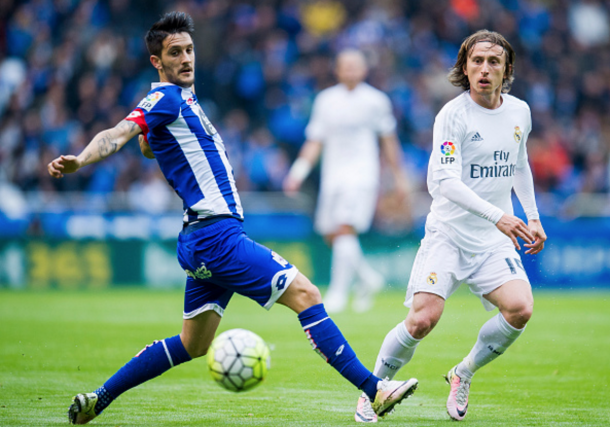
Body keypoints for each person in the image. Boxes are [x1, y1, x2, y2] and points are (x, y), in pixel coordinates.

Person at [46, 12, 418, 425]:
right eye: (174, 52)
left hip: (200, 238)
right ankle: (375, 390)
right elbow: (116, 134)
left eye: (189, 49)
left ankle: (99, 397)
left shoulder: (182, 103)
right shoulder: (163, 98)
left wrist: (150, 144)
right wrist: (81, 159)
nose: (186, 58)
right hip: (216, 236)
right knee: (308, 296)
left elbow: (149, 146)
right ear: (157, 62)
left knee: (193, 343)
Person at [353, 30, 548, 423]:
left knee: (521, 309)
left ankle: (463, 373)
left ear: (507, 69)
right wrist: (500, 216)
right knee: (423, 319)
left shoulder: (519, 112)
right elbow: (443, 182)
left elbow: (519, 163)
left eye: (494, 62)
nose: (484, 69)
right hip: (449, 235)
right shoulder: (453, 115)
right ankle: (373, 390)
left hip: (494, 240)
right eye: (476, 61)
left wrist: (533, 215)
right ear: (464, 67)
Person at [283, 49, 409, 314]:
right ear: (337, 69)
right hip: (333, 178)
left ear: (364, 70)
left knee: (344, 229)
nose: (350, 70)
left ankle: (338, 294)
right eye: (345, 66)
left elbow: (389, 141)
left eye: (356, 66)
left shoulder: (376, 101)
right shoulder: (325, 101)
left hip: (362, 175)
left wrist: (399, 177)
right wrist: (297, 172)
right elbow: (315, 141)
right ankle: (367, 279)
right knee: (332, 233)